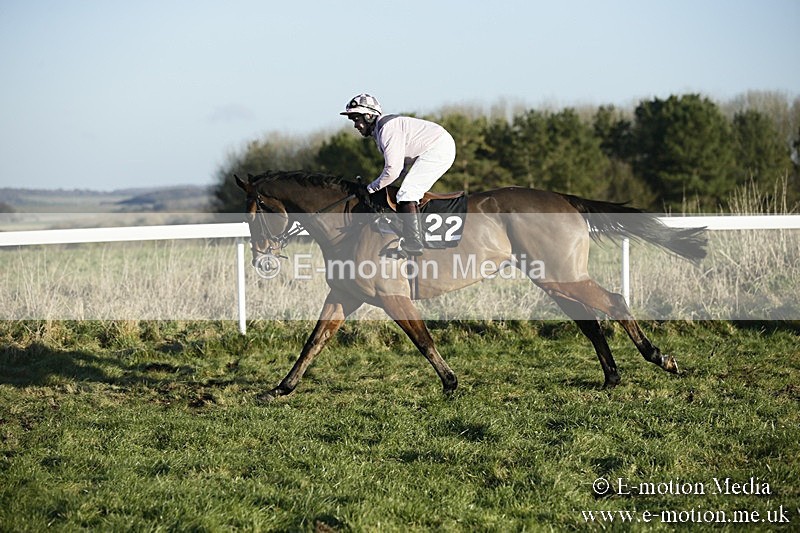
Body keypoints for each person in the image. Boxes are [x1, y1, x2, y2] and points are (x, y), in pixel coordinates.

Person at [340, 93, 456, 256]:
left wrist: (370, 188)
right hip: (435, 147)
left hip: (438, 148)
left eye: (356, 119)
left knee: (407, 193)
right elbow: (398, 169)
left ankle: (414, 243)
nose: (355, 125)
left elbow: (393, 170)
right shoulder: (381, 130)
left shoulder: (387, 129)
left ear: (368, 116)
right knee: (402, 192)